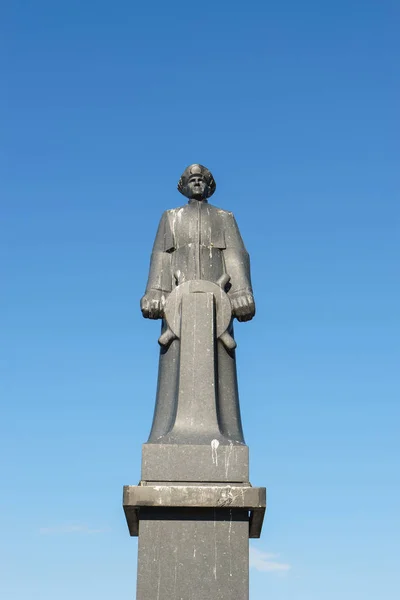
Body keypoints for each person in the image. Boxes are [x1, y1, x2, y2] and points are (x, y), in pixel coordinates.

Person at [141, 164, 255, 443]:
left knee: (220, 374)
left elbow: (236, 255)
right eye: (191, 179)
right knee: (174, 370)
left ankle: (226, 436)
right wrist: (155, 291)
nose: (197, 183)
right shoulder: (171, 218)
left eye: (202, 179)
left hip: (217, 309)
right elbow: (161, 257)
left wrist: (241, 290)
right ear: (182, 185)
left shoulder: (224, 217)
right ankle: (165, 435)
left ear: (209, 185)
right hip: (177, 308)